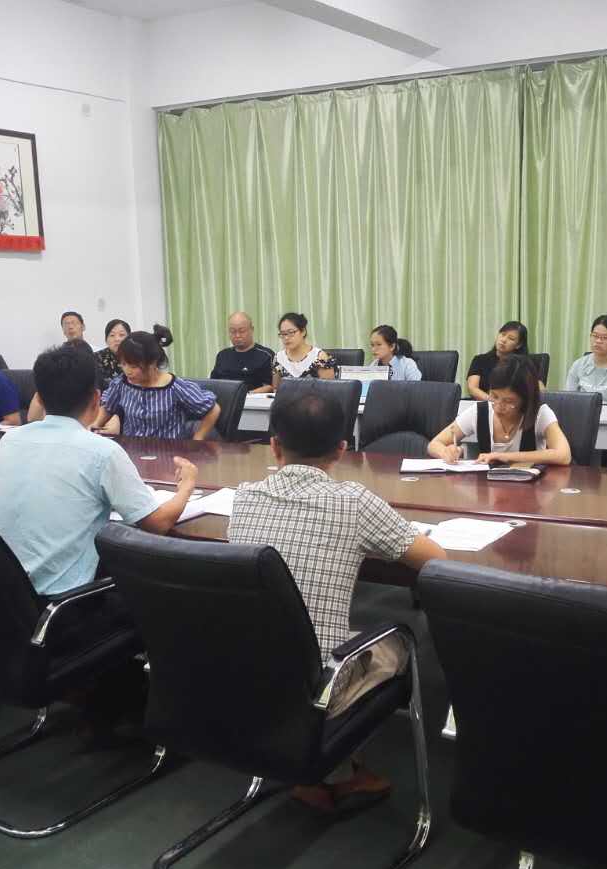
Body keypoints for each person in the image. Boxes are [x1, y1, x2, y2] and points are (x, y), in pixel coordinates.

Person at [229, 389, 447, 812]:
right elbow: (435, 561)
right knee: (401, 645)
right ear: (342, 450)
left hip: (245, 671)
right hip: (321, 687)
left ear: (274, 446)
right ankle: (335, 769)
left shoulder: (244, 496)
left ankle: (329, 766)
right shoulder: (355, 502)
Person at [0, 342, 199, 597]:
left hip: (2, 596)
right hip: (66, 602)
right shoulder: (101, 452)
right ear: (96, 399)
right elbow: (157, 524)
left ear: (39, 398)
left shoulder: (10, 441)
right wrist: (187, 485)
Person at [429, 355, 572, 466]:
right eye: (494, 396)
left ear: (526, 399)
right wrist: (446, 452)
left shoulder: (540, 414)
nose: (498, 406)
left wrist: (505, 456)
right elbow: (434, 444)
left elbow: (564, 455)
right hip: (488, 491)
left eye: (508, 401)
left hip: (530, 491)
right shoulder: (479, 412)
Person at [93, 325, 220, 439]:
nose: (127, 371)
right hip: (133, 450)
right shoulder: (122, 383)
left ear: (152, 363)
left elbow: (213, 409)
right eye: (124, 364)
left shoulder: (175, 387)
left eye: (134, 366)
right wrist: (94, 427)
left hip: (167, 451)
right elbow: (108, 407)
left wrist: (198, 438)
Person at [211, 311, 275, 393]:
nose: (237, 335)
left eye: (242, 331)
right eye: (233, 331)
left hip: (252, 399)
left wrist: (247, 395)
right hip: (224, 398)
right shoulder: (222, 355)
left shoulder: (266, 355)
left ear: (252, 330)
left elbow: (271, 386)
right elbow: (213, 383)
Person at [466, 321, 531, 401]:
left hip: (512, 405)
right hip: (485, 403)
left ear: (518, 345)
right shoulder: (480, 360)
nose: (503, 340)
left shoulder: (522, 364)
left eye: (511, 338)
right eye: (502, 334)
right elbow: (472, 388)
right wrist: (493, 401)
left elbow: (538, 389)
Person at [271, 312, 338, 388]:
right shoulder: (279, 357)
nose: (286, 338)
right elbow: (276, 389)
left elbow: (329, 390)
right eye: (283, 334)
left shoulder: (319, 357)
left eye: (291, 332)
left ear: (303, 332)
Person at [95, 319, 131, 385]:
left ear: (129, 338)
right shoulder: (96, 358)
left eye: (121, 335)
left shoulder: (136, 357)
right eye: (112, 335)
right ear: (106, 340)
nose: (117, 339)